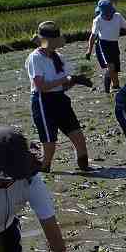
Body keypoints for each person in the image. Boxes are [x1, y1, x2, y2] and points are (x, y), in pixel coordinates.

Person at [26, 21, 91, 173]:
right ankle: (43, 170)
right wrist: (66, 79)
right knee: (49, 144)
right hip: (43, 101)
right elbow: (41, 86)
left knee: (79, 138)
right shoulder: (35, 58)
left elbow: (64, 86)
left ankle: (86, 168)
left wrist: (75, 81)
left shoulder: (59, 57)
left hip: (60, 100)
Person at [86, 0, 126, 94]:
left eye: (110, 13)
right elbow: (93, 36)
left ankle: (115, 86)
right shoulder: (97, 20)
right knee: (110, 67)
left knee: (115, 68)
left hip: (114, 44)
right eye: (107, 14)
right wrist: (89, 50)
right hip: (103, 44)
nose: (109, 15)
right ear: (102, 13)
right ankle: (107, 91)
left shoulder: (117, 16)